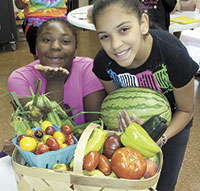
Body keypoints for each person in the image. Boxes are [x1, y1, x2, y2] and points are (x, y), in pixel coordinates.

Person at [91, 0, 199, 190]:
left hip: (173, 125)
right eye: (105, 36)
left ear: (143, 24)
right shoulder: (103, 62)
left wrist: (161, 138)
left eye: (124, 29)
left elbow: (186, 110)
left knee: (164, 184)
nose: (115, 45)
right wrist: (128, 127)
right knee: (128, 180)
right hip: (129, 128)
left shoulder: (174, 55)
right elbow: (116, 100)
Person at [8, 18, 106, 125]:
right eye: (46, 40)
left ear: (75, 50)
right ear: (36, 47)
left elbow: (95, 127)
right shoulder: (20, 78)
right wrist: (55, 82)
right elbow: (39, 132)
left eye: (65, 41)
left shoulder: (89, 69)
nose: (55, 46)